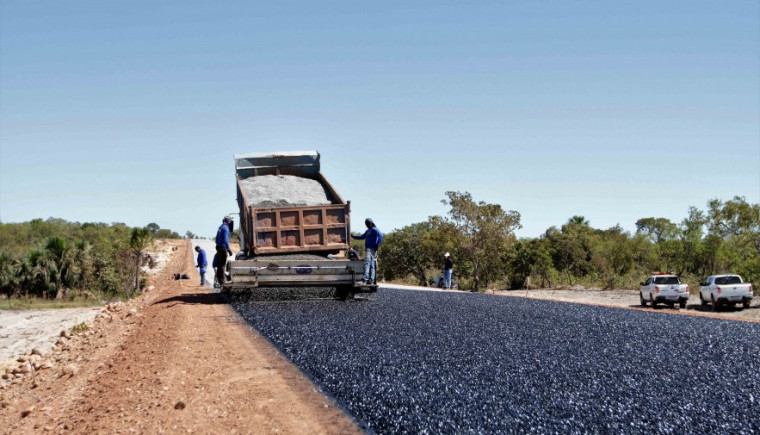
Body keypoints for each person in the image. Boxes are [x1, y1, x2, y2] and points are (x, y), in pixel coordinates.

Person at [351, 218, 383, 284]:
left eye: (368, 223)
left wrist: (377, 244)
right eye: (366, 224)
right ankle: (371, 280)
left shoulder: (374, 229)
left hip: (371, 249)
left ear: (371, 223)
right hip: (369, 249)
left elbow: (381, 235)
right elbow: (362, 236)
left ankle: (364, 279)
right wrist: (354, 237)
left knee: (367, 263)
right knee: (371, 264)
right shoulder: (368, 231)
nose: (367, 225)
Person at [215, 216, 234, 284]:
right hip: (223, 248)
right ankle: (223, 281)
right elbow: (226, 240)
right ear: (229, 221)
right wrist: (229, 250)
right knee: (223, 265)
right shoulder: (226, 228)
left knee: (219, 265)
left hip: (218, 247)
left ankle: (219, 279)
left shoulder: (221, 227)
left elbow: (216, 238)